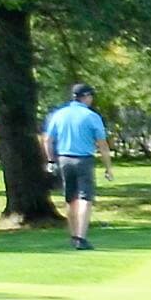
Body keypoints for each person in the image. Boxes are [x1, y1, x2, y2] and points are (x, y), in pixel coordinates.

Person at [42, 83, 108, 249]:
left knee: (70, 198)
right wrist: (108, 166)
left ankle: (73, 235)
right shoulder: (91, 116)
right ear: (85, 96)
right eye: (90, 96)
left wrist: (51, 160)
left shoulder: (59, 114)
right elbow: (102, 144)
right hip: (84, 159)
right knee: (85, 198)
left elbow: (47, 140)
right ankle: (81, 237)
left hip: (64, 159)